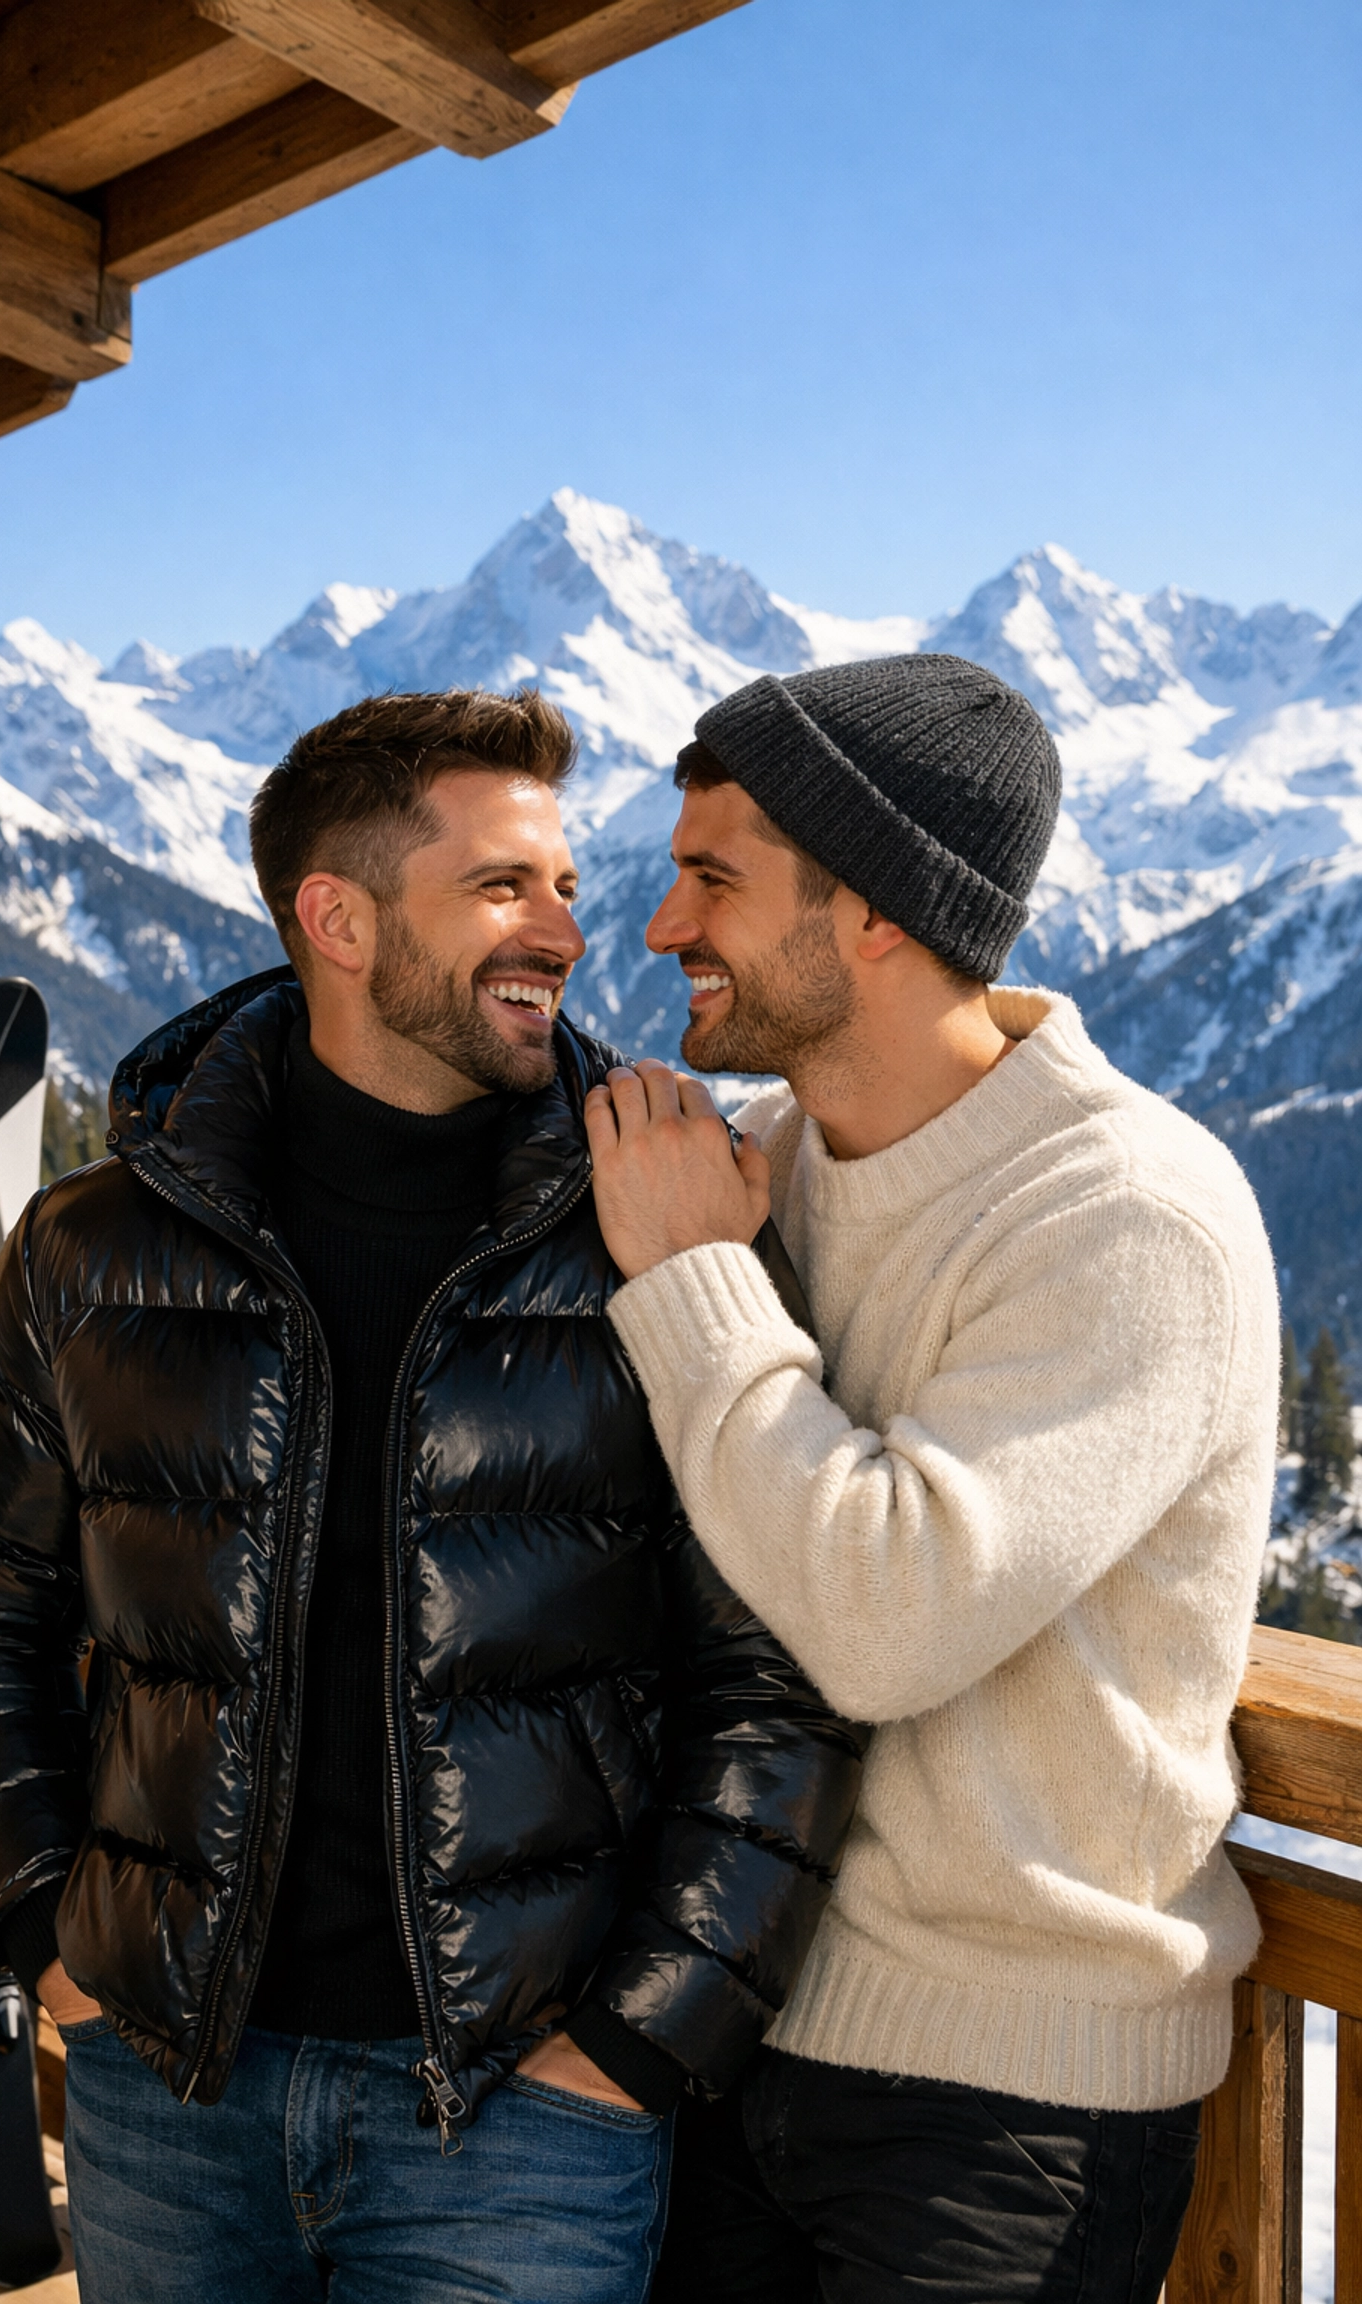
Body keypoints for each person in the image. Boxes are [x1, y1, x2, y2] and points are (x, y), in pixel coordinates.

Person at [0, 687, 864, 2304]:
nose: (566, 931)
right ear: (337, 921)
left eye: (563, 883)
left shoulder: (661, 1230)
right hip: (166, 2091)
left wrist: (637, 2041)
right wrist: (48, 1946)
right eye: (502, 886)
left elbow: (781, 1674)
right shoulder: (94, 1245)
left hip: (520, 2118)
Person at [584, 654, 1281, 2304]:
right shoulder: (769, 1166)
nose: (665, 926)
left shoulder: (1126, 1214)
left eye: (713, 880)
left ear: (879, 912)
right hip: (744, 2019)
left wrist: (694, 1288)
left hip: (1009, 2104)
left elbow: (886, 1620)